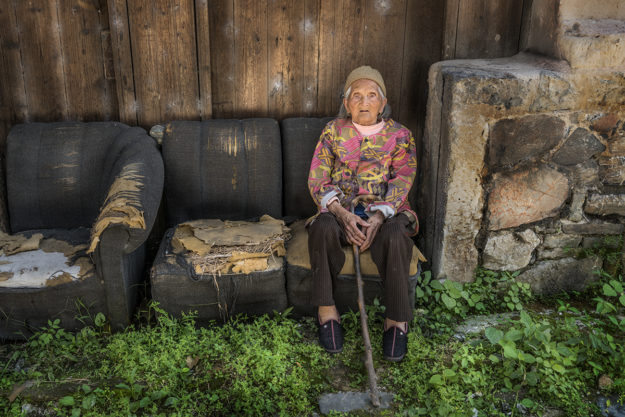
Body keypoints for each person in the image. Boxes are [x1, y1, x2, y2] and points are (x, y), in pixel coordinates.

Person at [307, 65, 418, 362]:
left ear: (383, 103)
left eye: (372, 96)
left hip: (386, 212)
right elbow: (318, 178)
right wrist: (342, 214)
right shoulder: (333, 131)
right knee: (321, 228)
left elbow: (403, 178)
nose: (364, 102)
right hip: (341, 208)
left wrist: (379, 217)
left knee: (396, 236)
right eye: (357, 96)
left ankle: (396, 320)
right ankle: (327, 311)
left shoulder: (401, 135)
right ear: (347, 103)